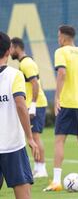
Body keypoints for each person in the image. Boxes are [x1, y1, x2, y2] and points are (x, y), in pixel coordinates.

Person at [44, 25, 78, 191]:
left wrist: (57, 97)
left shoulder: (61, 52)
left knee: (59, 140)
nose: (58, 39)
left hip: (67, 103)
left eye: (58, 36)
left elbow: (62, 73)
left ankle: (57, 181)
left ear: (63, 37)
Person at [0, 31, 39, 199]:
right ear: (9, 50)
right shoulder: (14, 75)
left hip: (10, 145)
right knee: (23, 193)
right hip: (12, 146)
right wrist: (30, 138)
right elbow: (21, 105)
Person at [10, 37, 48, 178]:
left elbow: (35, 84)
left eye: (11, 48)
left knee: (35, 137)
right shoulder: (24, 63)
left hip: (36, 105)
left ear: (16, 47)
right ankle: (38, 167)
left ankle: (41, 168)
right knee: (31, 136)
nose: (10, 51)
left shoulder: (27, 63)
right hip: (33, 104)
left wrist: (32, 105)